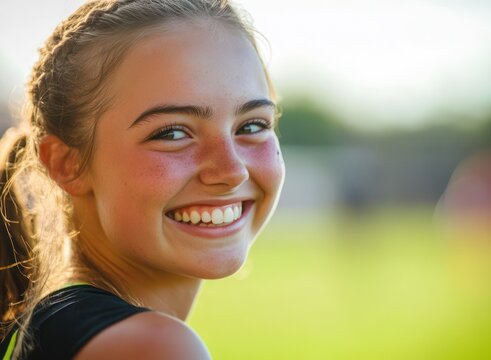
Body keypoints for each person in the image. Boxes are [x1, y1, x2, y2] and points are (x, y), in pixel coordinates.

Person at [0, 0, 285, 358]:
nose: (232, 171)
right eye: (172, 133)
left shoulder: (50, 326)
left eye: (253, 125)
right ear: (67, 163)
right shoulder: (152, 347)